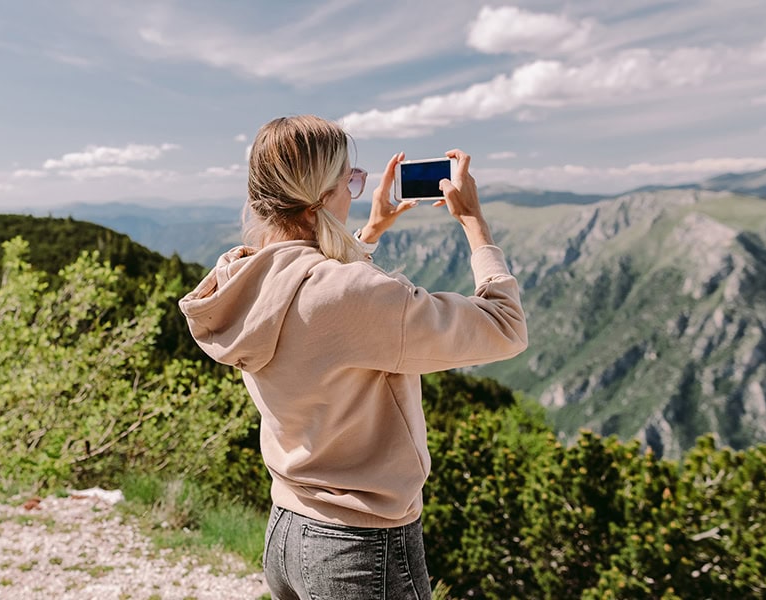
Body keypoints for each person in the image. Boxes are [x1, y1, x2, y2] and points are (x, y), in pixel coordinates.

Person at [178, 115, 528, 599]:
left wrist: (371, 230)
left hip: (286, 529)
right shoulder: (350, 295)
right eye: (351, 181)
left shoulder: (242, 279)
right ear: (323, 198)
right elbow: (505, 327)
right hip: (361, 547)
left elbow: (318, 297)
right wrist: (475, 223)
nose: (355, 190)